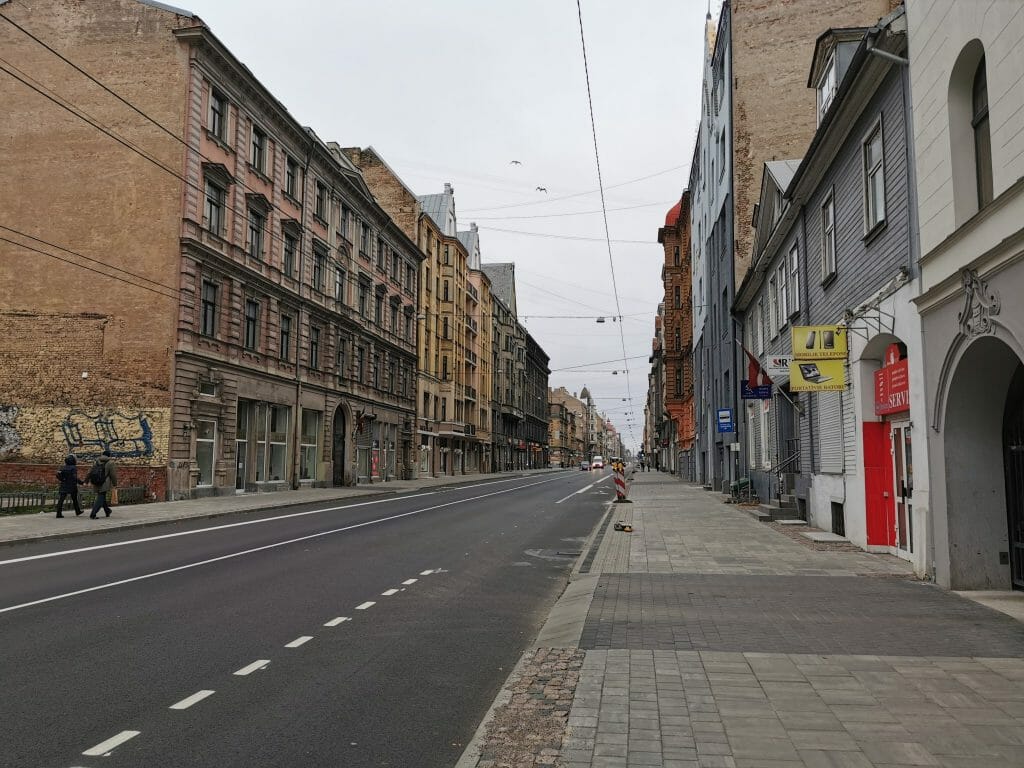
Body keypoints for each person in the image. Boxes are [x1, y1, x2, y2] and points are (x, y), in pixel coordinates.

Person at [88, 450, 118, 519]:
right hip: (104, 483)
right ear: (109, 456)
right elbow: (113, 475)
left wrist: (88, 480)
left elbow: (90, 471)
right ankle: (93, 514)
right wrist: (115, 484)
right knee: (100, 497)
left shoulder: (96, 461)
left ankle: (107, 511)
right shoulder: (110, 463)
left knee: (102, 497)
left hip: (96, 481)